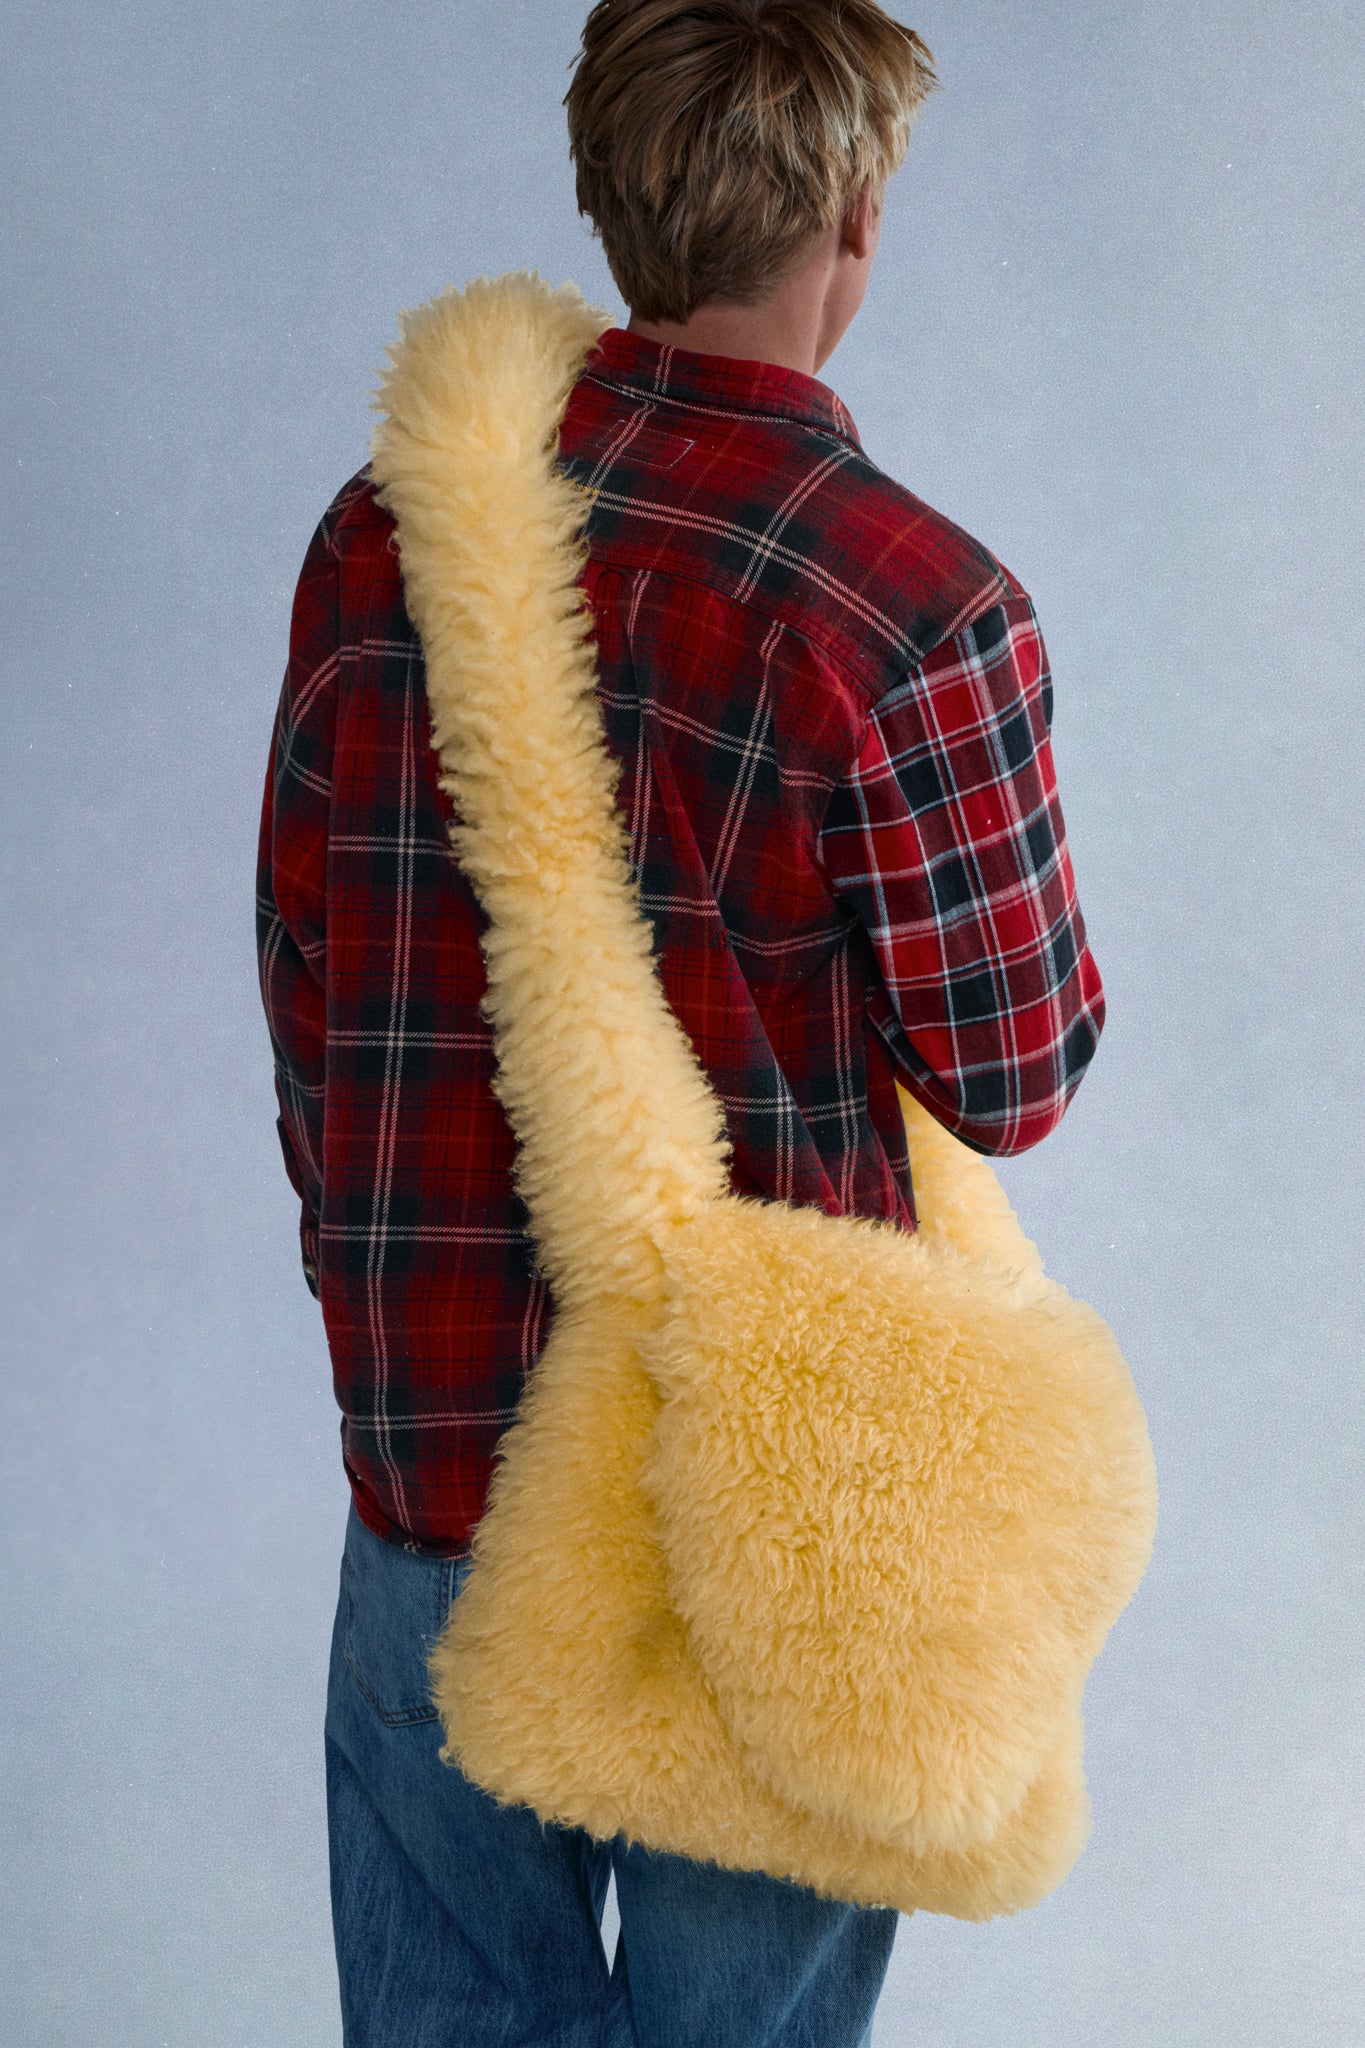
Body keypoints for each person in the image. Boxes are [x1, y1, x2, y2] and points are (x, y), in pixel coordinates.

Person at [256, 2, 1107, 2041]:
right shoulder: (910, 605)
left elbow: (303, 968)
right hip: (770, 1523)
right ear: (857, 213)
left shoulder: (385, 529)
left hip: (437, 1465)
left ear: (608, 191)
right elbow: (1009, 1074)